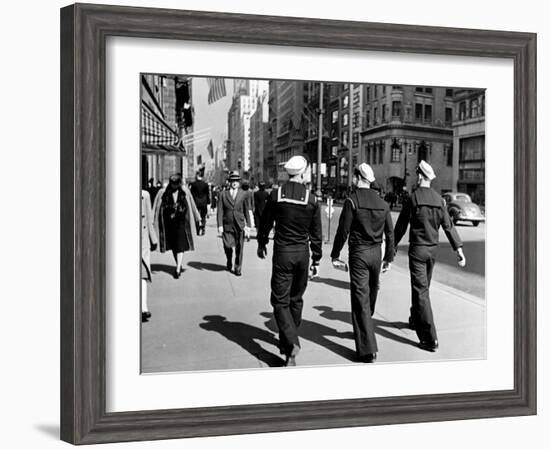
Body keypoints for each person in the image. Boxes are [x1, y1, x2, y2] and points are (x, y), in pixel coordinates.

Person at [394, 160, 466, 352]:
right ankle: (414, 318)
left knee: (420, 292)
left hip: (417, 251)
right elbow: (448, 226)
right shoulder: (439, 200)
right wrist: (458, 249)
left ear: (419, 176)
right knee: (422, 289)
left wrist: (390, 248)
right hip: (432, 252)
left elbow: (401, 226)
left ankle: (430, 338)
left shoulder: (413, 198)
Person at [257, 155, 322, 367]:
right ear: (302, 173)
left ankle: (291, 342)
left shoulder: (276, 195)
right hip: (303, 254)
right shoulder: (311, 199)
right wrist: (317, 260)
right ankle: (288, 345)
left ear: (288, 172)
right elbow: (316, 234)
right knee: (296, 298)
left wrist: (262, 243)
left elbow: (265, 223)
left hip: (283, 253)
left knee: (279, 300)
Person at [330, 164, 394, 363]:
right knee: (371, 294)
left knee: (360, 298)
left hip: (358, 254)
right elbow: (390, 233)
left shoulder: (352, 200)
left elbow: (343, 231)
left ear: (358, 177)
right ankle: (364, 328)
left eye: (354, 176)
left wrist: (335, 254)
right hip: (376, 253)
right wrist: (388, 258)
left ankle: (367, 349)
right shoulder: (383, 203)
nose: (353, 179)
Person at [152, 174, 200, 279]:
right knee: (174, 246)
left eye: (176, 184)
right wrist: (152, 220)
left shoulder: (185, 191)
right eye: (172, 184)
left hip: (181, 223)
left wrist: (198, 218)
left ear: (179, 183)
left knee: (180, 245)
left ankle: (178, 269)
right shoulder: (162, 192)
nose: (174, 186)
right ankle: (178, 263)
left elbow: (192, 204)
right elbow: (155, 206)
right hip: (168, 224)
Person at [217, 171, 252, 276]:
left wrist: (248, 225)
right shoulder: (223, 194)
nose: (234, 183)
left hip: (239, 224)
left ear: (239, 182)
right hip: (227, 223)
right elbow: (220, 210)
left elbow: (247, 210)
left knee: (239, 247)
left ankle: (238, 268)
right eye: (232, 181)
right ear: (229, 182)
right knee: (227, 245)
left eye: (236, 181)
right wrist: (219, 225)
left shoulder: (244, 194)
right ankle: (229, 259)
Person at [141, 190, 158, 322]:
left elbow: (149, 218)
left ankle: (143, 308)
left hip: (142, 240)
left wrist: (153, 239)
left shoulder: (145, 195)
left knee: (142, 275)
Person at [189, 171, 210, 236]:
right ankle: (203, 228)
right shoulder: (205, 184)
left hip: (196, 202)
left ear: (197, 176)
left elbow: (191, 194)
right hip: (203, 202)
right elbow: (207, 194)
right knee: (203, 216)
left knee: (196, 216)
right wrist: (208, 202)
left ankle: (197, 229)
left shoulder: (193, 184)